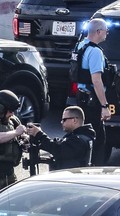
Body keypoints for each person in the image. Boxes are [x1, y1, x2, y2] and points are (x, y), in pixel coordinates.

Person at [76, 18, 111, 165]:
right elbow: (96, 80)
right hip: (92, 101)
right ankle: (96, 171)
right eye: (105, 31)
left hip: (81, 97)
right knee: (98, 139)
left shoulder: (81, 46)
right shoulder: (95, 52)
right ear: (98, 32)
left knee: (82, 135)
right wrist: (104, 106)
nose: (107, 33)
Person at [27, 106, 96, 170]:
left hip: (70, 180)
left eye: (64, 120)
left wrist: (39, 134)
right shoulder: (81, 136)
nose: (61, 122)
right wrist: (35, 141)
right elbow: (59, 144)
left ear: (74, 120)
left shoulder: (79, 140)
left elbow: (58, 149)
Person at [0, 90, 26, 189]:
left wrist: (24, 138)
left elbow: (20, 133)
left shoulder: (13, 121)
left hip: (9, 173)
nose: (12, 114)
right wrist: (15, 133)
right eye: (10, 111)